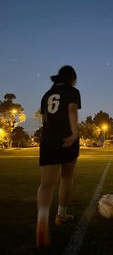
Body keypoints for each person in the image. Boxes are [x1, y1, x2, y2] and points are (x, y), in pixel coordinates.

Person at [36, 65, 81, 248]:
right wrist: (74, 133)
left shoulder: (46, 95)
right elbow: (71, 110)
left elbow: (45, 120)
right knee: (67, 176)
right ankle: (61, 214)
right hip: (65, 138)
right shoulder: (72, 91)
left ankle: (42, 220)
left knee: (46, 183)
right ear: (72, 78)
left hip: (48, 140)